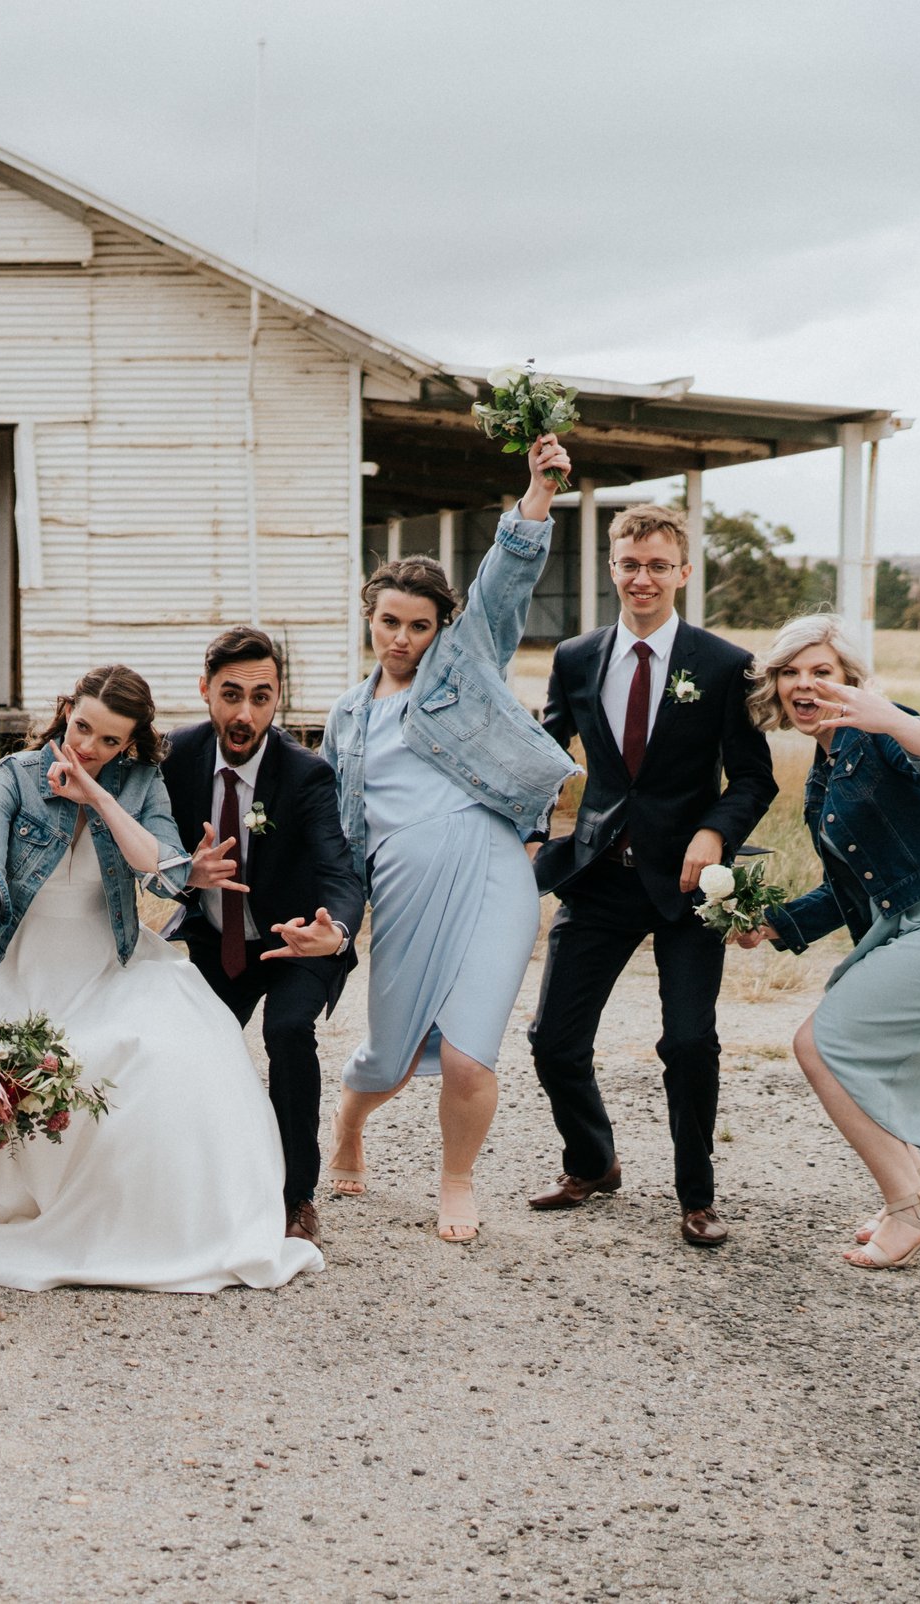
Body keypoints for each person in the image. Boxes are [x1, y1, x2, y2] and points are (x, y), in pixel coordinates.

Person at [0, 665, 321, 1293]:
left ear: (131, 743)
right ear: (66, 711)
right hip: (18, 958)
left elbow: (163, 872)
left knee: (183, 1048)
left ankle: (157, 1218)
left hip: (111, 959)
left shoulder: (140, 783)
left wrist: (99, 796)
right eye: (82, 728)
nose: (89, 747)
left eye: (110, 740)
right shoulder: (11, 777)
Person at [321, 436, 580, 1242]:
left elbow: (502, 583)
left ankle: (457, 1181)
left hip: (493, 871)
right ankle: (349, 1126)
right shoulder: (344, 718)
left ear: (442, 628)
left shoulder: (464, 666)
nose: (402, 638)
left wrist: (536, 495)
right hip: (404, 890)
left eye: (419, 625)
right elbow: (334, 827)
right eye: (389, 623)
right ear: (370, 619)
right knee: (391, 1058)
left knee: (469, 1055)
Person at [729, 614, 920, 1270]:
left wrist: (895, 719)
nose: (804, 684)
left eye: (822, 671)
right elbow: (846, 890)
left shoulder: (878, 732)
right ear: (776, 685)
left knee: (824, 1045)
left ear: (850, 681)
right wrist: (775, 923)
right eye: (791, 672)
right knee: (853, 1051)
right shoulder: (825, 771)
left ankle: (912, 1207)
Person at [522, 503, 777, 1246]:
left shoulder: (725, 665)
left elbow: (753, 779)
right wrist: (532, 833)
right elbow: (542, 757)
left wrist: (713, 833)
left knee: (689, 1043)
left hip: (690, 887)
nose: (644, 578)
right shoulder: (576, 657)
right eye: (631, 564)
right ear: (612, 567)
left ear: (683, 572)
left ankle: (697, 1196)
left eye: (659, 566)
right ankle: (592, 1161)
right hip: (599, 874)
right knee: (553, 1041)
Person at [161, 627, 366, 1243]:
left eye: (261, 696)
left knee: (287, 1030)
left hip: (296, 939)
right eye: (231, 695)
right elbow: (143, 841)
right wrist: (182, 872)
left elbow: (340, 872)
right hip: (214, 937)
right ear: (204, 690)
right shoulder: (175, 756)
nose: (245, 714)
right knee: (189, 1043)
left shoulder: (306, 774)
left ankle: (296, 1197)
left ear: (279, 697)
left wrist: (336, 932)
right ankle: (200, 1182)